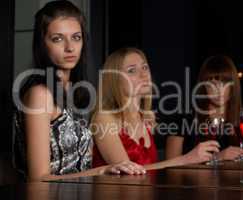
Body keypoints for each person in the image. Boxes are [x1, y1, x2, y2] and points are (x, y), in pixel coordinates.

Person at [13, 0, 145, 182]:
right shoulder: (40, 94)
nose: (70, 47)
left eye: (76, 37)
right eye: (57, 38)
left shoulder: (79, 90)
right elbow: (39, 179)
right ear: (42, 44)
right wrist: (101, 171)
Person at [91, 47, 220, 170]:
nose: (144, 74)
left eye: (145, 67)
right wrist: (185, 159)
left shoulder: (146, 119)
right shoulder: (104, 117)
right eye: (132, 70)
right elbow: (127, 172)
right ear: (115, 80)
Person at [165, 55, 243, 161]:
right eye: (211, 84)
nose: (218, 90)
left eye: (224, 83)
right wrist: (216, 157)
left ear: (233, 86)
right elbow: (170, 165)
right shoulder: (185, 116)